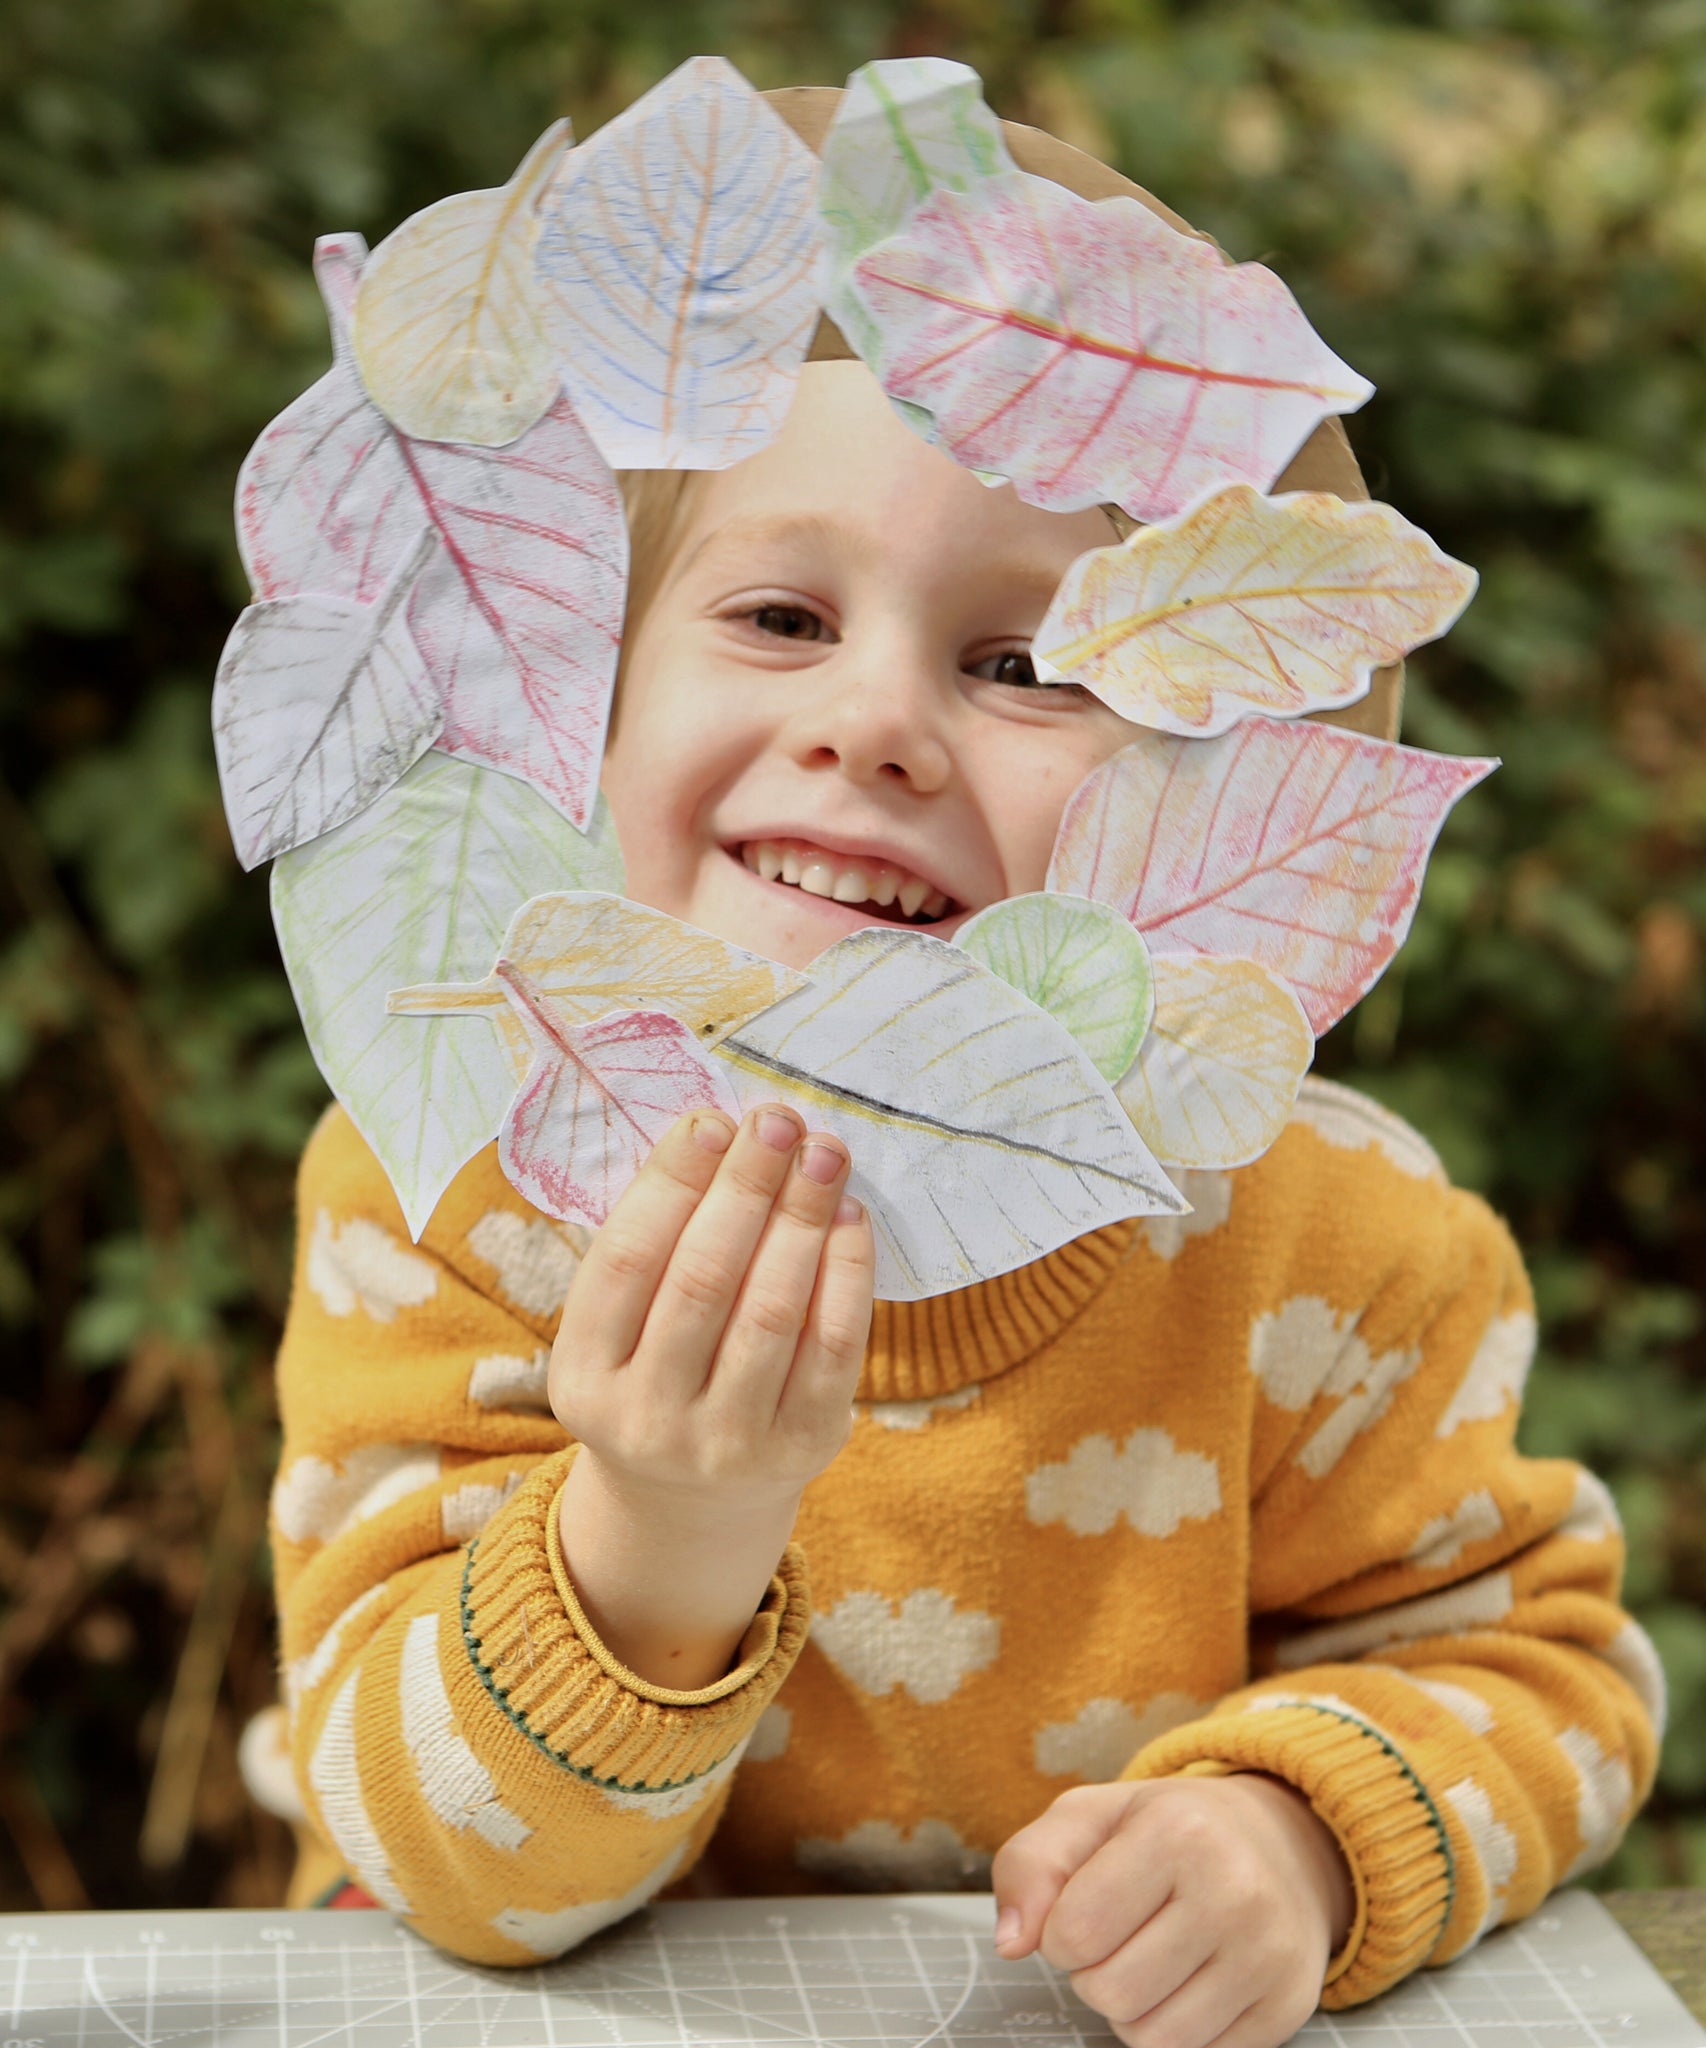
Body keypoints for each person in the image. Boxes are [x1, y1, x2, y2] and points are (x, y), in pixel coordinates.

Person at [266, 98, 1662, 2048]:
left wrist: (1299, 1834)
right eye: (776, 616)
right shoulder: (460, 1189)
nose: (876, 725)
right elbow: (436, 1867)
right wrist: (655, 1534)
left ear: (1213, 791)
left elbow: (1549, 1677)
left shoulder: (1333, 1249)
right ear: (577, 689)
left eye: (1024, 667)